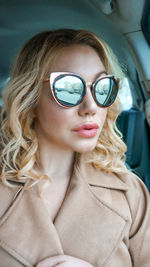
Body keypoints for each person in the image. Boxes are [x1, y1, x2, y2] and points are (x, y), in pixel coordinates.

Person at [0, 29, 150, 267]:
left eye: (101, 87)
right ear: (29, 97)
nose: (90, 106)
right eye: (68, 88)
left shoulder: (130, 193)